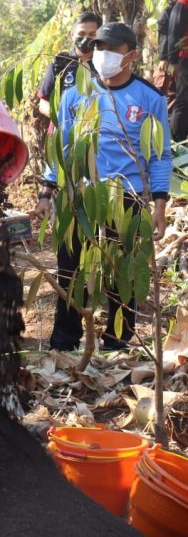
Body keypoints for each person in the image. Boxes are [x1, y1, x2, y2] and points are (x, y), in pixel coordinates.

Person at [38, 22, 171, 352]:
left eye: (112, 49)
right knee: (71, 270)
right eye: (98, 48)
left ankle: (117, 343)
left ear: (131, 55)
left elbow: (160, 155)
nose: (102, 55)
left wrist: (158, 204)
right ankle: (65, 343)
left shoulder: (149, 98)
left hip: (126, 199)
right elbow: (62, 147)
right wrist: (47, 191)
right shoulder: (75, 94)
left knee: (121, 276)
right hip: (80, 197)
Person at [37, 11, 100, 121]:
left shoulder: (104, 65)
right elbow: (43, 104)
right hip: (63, 132)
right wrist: (64, 118)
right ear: (72, 35)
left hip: (95, 132)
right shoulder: (60, 63)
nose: (86, 38)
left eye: (91, 35)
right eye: (81, 34)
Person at [164, 0, 188, 141]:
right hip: (185, 60)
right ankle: (177, 143)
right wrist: (172, 62)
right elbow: (173, 33)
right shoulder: (184, 3)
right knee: (183, 100)